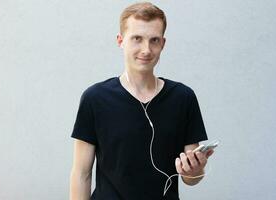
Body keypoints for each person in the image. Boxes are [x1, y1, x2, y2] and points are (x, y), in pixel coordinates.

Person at [69, 2, 214, 200]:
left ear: (163, 43)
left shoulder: (183, 98)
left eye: (154, 40)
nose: (146, 49)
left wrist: (194, 171)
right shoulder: (95, 98)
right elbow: (81, 173)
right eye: (137, 38)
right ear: (120, 41)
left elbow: (191, 178)